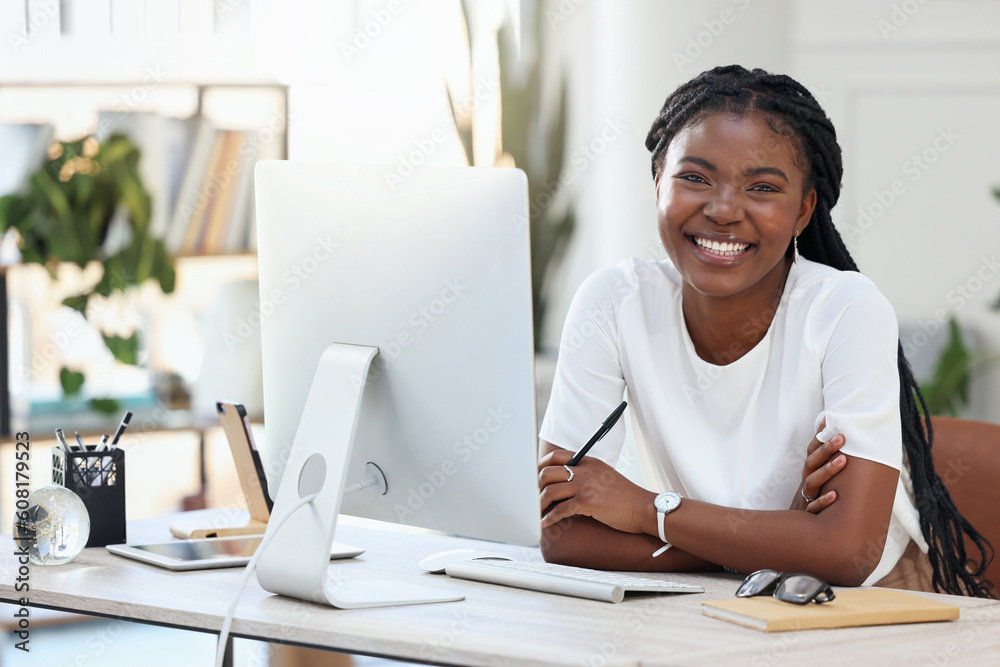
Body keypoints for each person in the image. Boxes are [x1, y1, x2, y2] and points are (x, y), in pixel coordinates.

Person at [536, 65, 993, 597]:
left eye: (761, 187)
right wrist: (779, 540)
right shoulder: (612, 301)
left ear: (803, 210)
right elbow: (565, 535)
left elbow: (848, 553)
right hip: (731, 595)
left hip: (875, 598)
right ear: (658, 181)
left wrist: (645, 510)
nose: (723, 209)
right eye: (695, 177)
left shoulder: (848, 310)